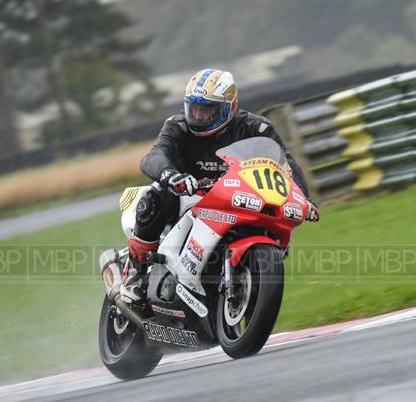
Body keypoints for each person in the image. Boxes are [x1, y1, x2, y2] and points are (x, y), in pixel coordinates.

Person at [122, 68, 319, 300]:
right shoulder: (178, 125)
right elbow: (154, 156)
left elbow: (285, 166)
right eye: (194, 108)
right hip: (188, 193)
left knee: (272, 221)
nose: (199, 116)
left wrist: (303, 198)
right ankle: (135, 273)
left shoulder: (257, 128)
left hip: (235, 197)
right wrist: (171, 176)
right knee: (155, 199)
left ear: (230, 107)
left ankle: (247, 282)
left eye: (208, 110)